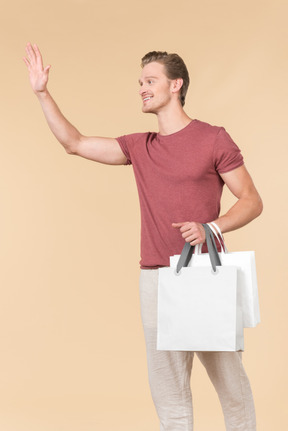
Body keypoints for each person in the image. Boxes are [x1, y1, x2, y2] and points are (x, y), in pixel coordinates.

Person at [23, 44, 263, 431]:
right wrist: (42, 93)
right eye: (140, 82)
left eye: (150, 81)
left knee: (231, 385)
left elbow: (252, 200)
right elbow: (75, 143)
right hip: (156, 279)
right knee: (168, 393)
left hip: (205, 275)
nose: (142, 88)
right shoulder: (140, 146)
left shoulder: (213, 138)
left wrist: (210, 227)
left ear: (176, 85)